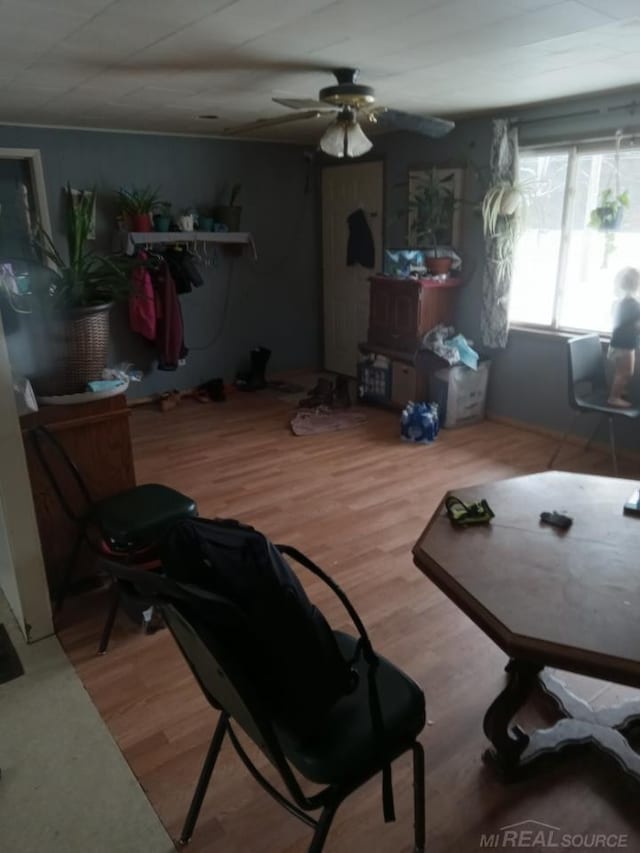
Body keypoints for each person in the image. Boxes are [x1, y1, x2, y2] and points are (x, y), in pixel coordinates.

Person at [608, 266, 640, 407]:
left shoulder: (620, 302)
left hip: (619, 345)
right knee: (625, 373)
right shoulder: (633, 305)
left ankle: (619, 392)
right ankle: (614, 397)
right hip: (624, 346)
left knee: (623, 372)